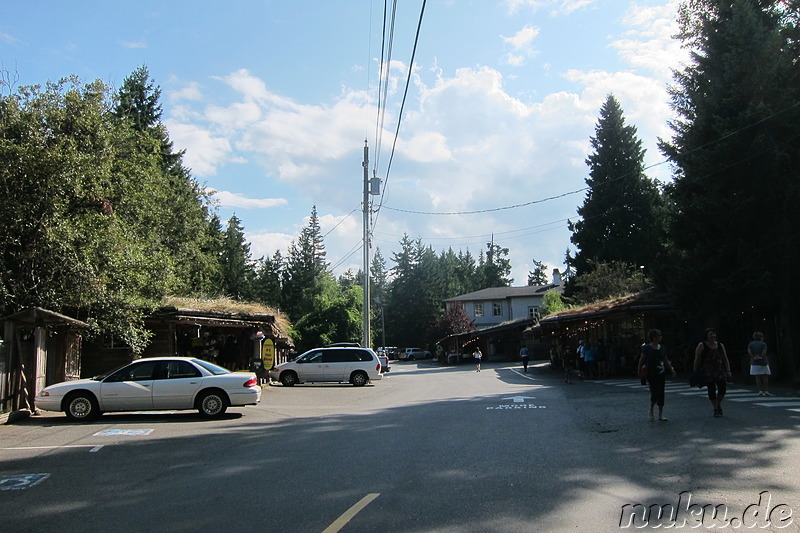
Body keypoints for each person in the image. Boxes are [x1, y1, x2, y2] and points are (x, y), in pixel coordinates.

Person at [638, 329, 676, 421]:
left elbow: (665, 359)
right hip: (651, 373)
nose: (660, 337)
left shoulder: (662, 347)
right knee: (654, 392)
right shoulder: (647, 348)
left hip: (661, 373)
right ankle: (651, 410)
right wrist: (639, 371)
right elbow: (641, 360)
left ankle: (660, 413)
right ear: (654, 337)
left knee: (661, 392)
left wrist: (671, 369)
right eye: (659, 335)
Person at [694, 328, 733, 417]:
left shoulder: (720, 345)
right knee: (711, 389)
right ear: (706, 336)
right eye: (710, 334)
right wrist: (696, 371)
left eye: (714, 334)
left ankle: (718, 403)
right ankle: (715, 408)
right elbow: (697, 358)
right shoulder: (702, 345)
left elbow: (725, 358)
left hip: (719, 370)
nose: (713, 336)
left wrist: (728, 370)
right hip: (708, 370)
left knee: (722, 389)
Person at [748, 331, 772, 396]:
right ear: (761, 337)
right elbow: (764, 352)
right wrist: (761, 356)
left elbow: (749, 352)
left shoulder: (751, 344)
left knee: (757, 377)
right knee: (765, 376)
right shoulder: (763, 344)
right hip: (763, 362)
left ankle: (760, 390)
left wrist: (753, 357)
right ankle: (766, 390)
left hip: (754, 362)